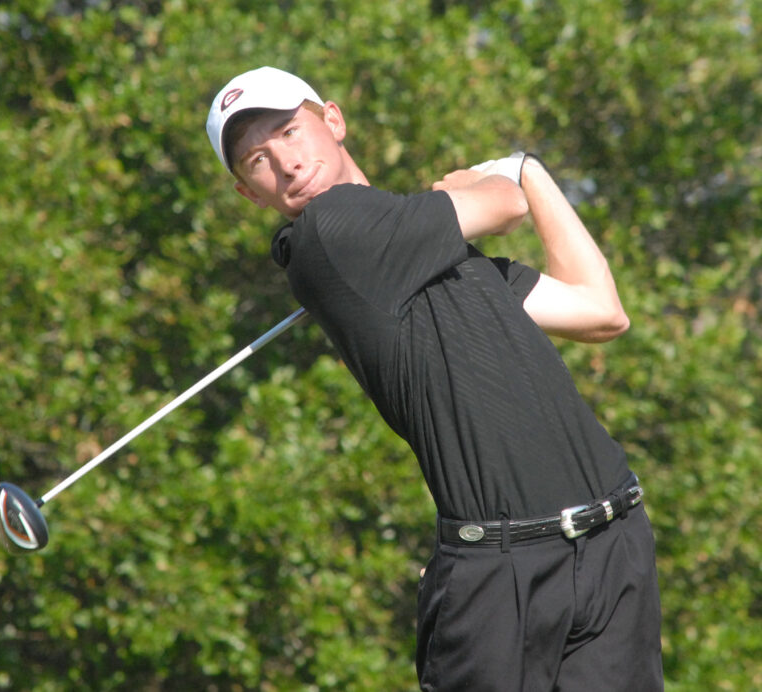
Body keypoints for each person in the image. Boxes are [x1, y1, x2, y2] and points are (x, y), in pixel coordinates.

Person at [206, 66, 663, 691]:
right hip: (504, 574)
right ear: (249, 194)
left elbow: (601, 310)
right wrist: (502, 176)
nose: (284, 162)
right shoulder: (330, 232)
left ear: (332, 120)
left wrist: (530, 168)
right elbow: (504, 205)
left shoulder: (443, 258)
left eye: (289, 131)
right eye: (257, 159)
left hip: (614, 546)